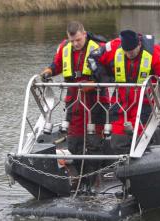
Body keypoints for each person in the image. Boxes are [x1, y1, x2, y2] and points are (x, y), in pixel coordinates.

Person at [87, 29, 160, 154]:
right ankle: (124, 168)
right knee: (116, 144)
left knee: (141, 143)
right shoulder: (113, 47)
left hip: (143, 104)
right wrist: (103, 77)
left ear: (139, 45)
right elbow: (92, 58)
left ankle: (141, 167)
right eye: (126, 52)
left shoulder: (155, 52)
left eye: (132, 51)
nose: (129, 54)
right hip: (120, 105)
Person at [40, 21, 108, 183]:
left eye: (78, 40)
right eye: (72, 41)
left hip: (95, 101)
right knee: (74, 142)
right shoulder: (65, 48)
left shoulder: (99, 47)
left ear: (84, 34)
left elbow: (109, 74)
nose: (75, 44)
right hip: (74, 101)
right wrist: (48, 71)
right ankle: (80, 179)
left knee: (94, 144)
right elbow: (57, 65)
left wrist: (91, 85)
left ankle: (93, 180)